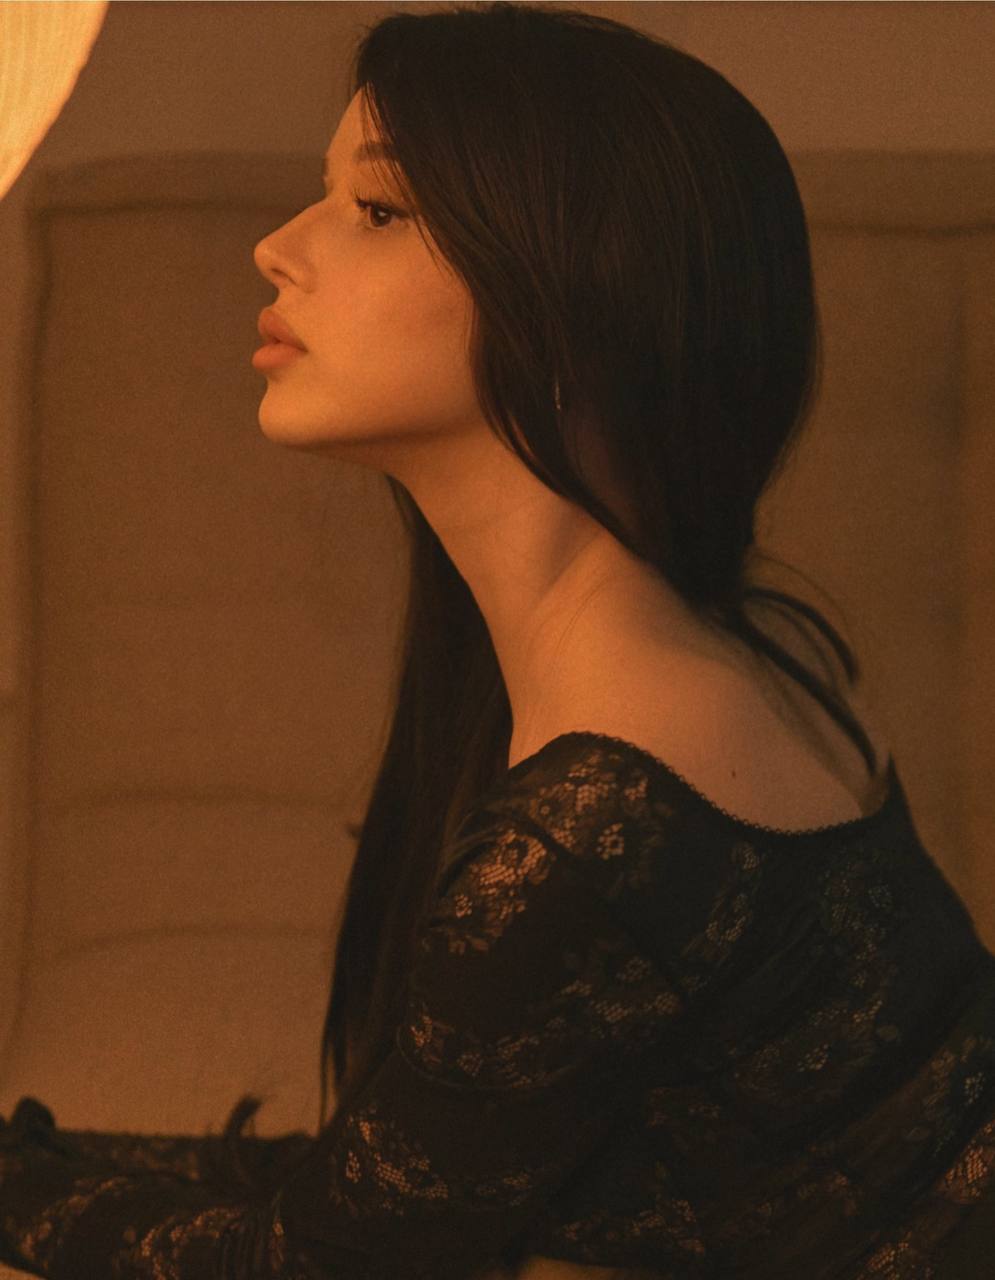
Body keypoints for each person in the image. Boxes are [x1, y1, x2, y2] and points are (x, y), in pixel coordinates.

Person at [1, 2, 993, 1277]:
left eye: (374, 210)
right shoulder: (730, 662)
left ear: (576, 292)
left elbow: (318, 1262)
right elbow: (393, 1175)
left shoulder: (604, 817)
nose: (275, 247)